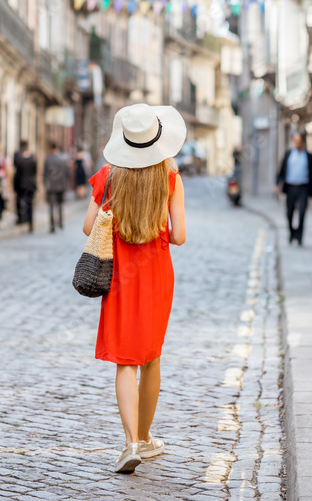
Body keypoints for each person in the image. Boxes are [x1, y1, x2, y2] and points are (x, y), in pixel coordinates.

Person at [82, 103, 187, 474]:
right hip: (156, 275)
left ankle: (129, 444)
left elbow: (87, 227)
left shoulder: (108, 176)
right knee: (151, 357)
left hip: (121, 277)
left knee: (125, 361)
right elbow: (179, 236)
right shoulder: (171, 177)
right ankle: (145, 438)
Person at [275, 131, 312, 245]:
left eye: (299, 141)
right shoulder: (288, 154)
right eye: (296, 141)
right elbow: (282, 170)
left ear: (303, 142)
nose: (298, 144)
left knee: (302, 213)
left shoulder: (308, 156)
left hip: (303, 188)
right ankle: (292, 233)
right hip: (290, 188)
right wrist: (277, 184)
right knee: (289, 213)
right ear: (293, 142)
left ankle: (299, 237)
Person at [43, 141, 71, 233]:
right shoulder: (63, 159)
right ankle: (60, 223)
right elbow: (68, 173)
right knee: (60, 205)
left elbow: (45, 174)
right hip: (61, 185)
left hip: (51, 186)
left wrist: (45, 184)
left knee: (51, 206)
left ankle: (52, 226)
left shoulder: (48, 159)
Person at [13, 140, 38, 232]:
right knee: (30, 205)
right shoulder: (33, 158)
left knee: (19, 201)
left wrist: (14, 187)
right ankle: (30, 223)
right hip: (30, 184)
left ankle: (21, 219)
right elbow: (35, 172)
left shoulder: (19, 159)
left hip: (21, 184)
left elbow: (17, 173)